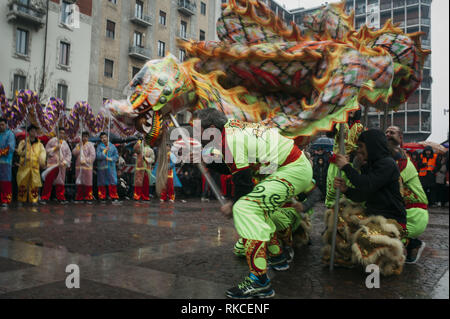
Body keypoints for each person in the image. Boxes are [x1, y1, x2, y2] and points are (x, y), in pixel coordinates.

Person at [194, 108, 313, 299]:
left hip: (292, 169)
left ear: (211, 128)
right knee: (256, 206)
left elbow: (243, 183)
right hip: (288, 168)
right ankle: (277, 257)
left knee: (245, 207)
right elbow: (233, 168)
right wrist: (207, 160)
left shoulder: (229, 140)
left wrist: (232, 205)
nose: (197, 134)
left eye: (198, 129)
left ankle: (260, 282)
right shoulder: (230, 132)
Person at [330, 129, 407, 275]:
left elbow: (367, 184)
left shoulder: (387, 164)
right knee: (337, 213)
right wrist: (346, 190)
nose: (359, 151)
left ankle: (393, 261)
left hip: (391, 220)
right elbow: (363, 194)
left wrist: (346, 167)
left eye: (361, 147)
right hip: (372, 215)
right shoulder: (370, 165)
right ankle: (345, 257)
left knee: (364, 237)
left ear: (371, 146)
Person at [385, 126, 428, 264]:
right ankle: (410, 247)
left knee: (384, 232)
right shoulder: (391, 158)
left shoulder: (403, 161)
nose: (388, 134)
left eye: (392, 132)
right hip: (402, 211)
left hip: (414, 213)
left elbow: (388, 182)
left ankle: (412, 244)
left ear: (400, 138)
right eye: (386, 132)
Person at [325, 109, 364, 208]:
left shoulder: (360, 127)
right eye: (349, 108)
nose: (351, 110)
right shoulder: (340, 123)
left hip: (351, 164)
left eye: (354, 109)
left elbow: (361, 146)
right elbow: (329, 133)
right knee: (333, 189)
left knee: (349, 191)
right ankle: (332, 211)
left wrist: (353, 156)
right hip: (336, 163)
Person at [16, 125, 46, 205]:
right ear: (29, 132)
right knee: (23, 183)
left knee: (34, 184)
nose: (34, 133)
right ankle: (21, 199)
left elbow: (43, 153)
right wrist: (24, 148)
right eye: (32, 131)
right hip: (24, 166)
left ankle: (34, 200)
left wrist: (42, 160)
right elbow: (19, 152)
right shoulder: (23, 142)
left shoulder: (40, 144)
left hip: (35, 166)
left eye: (35, 131)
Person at [41, 127, 72, 204]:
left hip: (61, 166)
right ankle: (45, 197)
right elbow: (46, 151)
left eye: (63, 133)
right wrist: (55, 148)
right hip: (52, 165)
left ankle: (60, 197)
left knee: (61, 182)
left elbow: (68, 154)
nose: (62, 134)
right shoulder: (52, 141)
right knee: (49, 181)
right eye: (60, 132)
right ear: (57, 133)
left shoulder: (65, 143)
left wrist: (65, 162)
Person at [72, 132, 96, 203]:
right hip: (79, 167)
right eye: (83, 136)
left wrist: (85, 160)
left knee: (88, 183)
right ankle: (79, 197)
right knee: (79, 182)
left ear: (88, 137)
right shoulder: (78, 145)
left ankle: (88, 197)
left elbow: (93, 155)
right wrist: (79, 147)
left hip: (87, 167)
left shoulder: (90, 145)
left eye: (86, 136)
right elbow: (74, 153)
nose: (84, 138)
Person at [96, 132, 120, 203]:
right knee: (101, 182)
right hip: (102, 168)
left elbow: (116, 156)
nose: (104, 139)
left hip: (111, 167)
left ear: (107, 137)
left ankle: (113, 196)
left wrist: (111, 159)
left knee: (112, 181)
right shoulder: (99, 147)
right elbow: (97, 156)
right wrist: (104, 152)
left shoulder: (112, 146)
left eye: (105, 137)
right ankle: (102, 196)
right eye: (102, 138)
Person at [0, 118, 16, 208]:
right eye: (0, 125)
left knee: (5, 181)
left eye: (2, 124)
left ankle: (6, 200)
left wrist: (1, 152)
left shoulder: (10, 134)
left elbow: (11, 147)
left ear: (6, 125)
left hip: (6, 161)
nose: (1, 126)